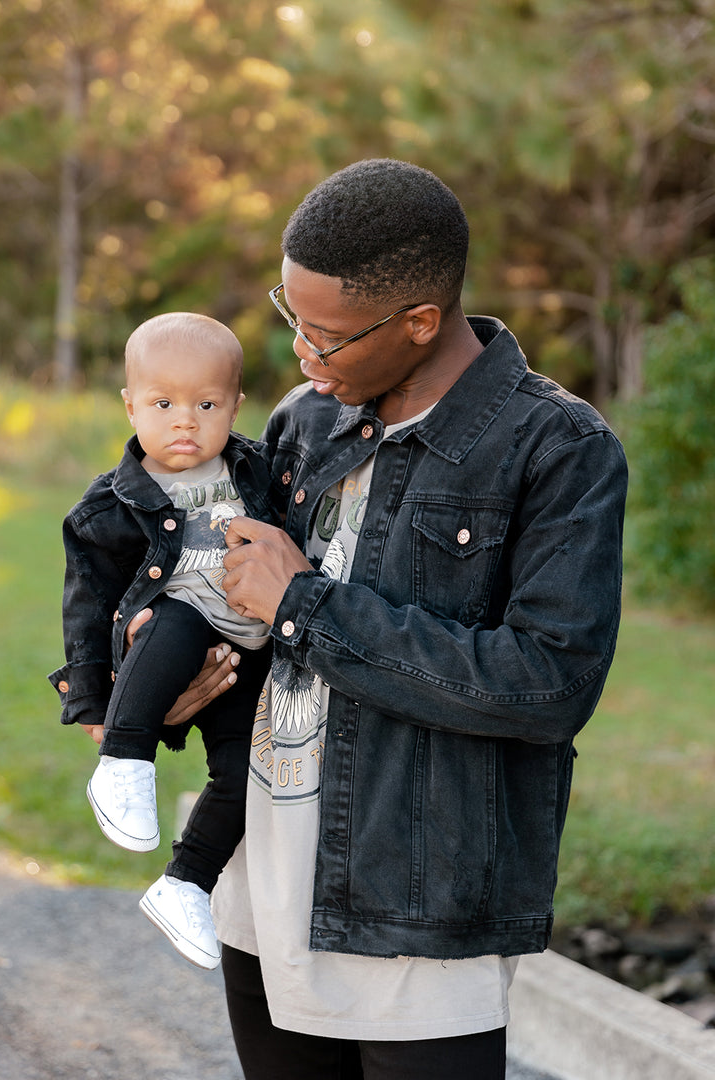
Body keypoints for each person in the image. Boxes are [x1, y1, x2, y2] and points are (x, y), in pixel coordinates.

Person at [154, 158, 627, 1079]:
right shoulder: (305, 422)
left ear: (420, 322)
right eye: (292, 320)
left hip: (417, 908)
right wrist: (177, 677)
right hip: (265, 880)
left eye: (325, 337)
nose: (301, 356)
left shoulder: (558, 448)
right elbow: (246, 612)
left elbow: (547, 685)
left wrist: (304, 604)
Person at [48, 312, 279, 971]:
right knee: (175, 614)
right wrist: (94, 704)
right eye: (163, 403)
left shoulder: (260, 473)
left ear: (236, 405)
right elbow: (87, 605)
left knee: (247, 775)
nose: (185, 420)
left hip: (247, 658)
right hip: (164, 649)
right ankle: (126, 761)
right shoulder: (111, 505)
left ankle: (185, 887)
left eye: (206, 404)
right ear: (130, 405)